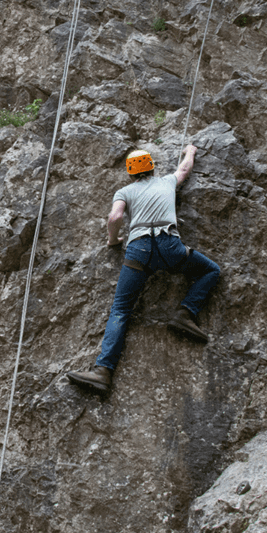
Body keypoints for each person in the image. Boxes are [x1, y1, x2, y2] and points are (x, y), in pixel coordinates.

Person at [67, 145, 220, 393]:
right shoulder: (167, 182)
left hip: (138, 251)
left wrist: (113, 240)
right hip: (170, 246)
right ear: (151, 167)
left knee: (121, 309)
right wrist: (189, 152)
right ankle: (185, 313)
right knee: (211, 270)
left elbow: (115, 218)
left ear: (130, 173)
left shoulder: (124, 191)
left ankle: (103, 372)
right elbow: (184, 170)